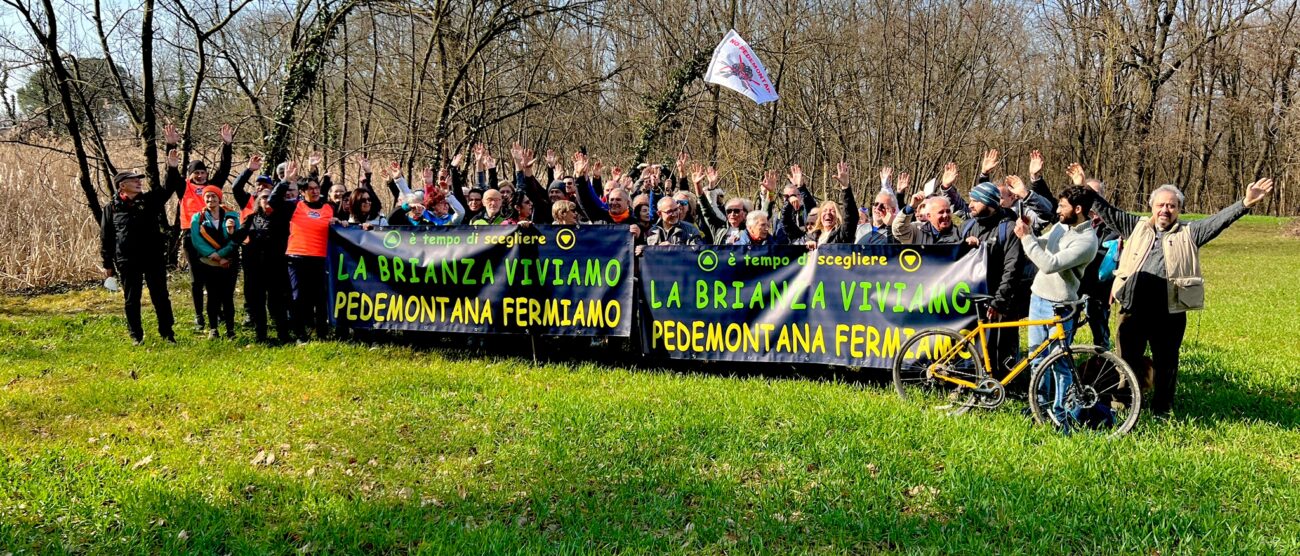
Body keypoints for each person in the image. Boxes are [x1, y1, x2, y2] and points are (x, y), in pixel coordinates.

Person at [1095, 178, 1274, 416]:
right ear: (1152, 206)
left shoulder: (1190, 232)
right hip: (1132, 309)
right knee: (1126, 361)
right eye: (1160, 205)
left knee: (1166, 362)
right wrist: (1085, 188)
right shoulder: (1135, 226)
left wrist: (1245, 203)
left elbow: (1218, 221)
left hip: (1170, 311)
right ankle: (1122, 406)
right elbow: (1107, 211)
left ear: (1179, 209)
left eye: (1171, 206)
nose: (1165, 210)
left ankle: (1162, 409)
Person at [1015, 185, 1100, 431]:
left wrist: (1025, 238)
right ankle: (1038, 405)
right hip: (1038, 298)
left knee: (1059, 362)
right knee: (1036, 358)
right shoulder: (1063, 225)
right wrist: (1029, 233)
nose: (1058, 210)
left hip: (1060, 306)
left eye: (1063, 206)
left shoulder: (1086, 241)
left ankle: (1059, 412)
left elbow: (1050, 264)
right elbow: (1043, 243)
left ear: (1078, 209)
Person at [99, 151, 182, 345]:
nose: (139, 182)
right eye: (134, 180)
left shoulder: (150, 201)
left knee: (161, 296)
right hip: (127, 260)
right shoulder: (111, 208)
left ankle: (167, 333)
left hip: (153, 257)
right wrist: (107, 263)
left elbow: (168, 188)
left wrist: (172, 167)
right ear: (122, 185)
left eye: (139, 180)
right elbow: (106, 237)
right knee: (131, 299)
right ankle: (136, 335)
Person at [961, 179, 1031, 376]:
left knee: (1002, 347)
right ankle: (969, 380)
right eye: (970, 200)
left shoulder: (1008, 229)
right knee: (973, 345)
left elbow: (1013, 269)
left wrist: (999, 302)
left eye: (975, 200)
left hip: (1000, 301)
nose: (970, 205)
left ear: (990, 203)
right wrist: (962, 246)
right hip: (969, 300)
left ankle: (1004, 384)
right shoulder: (967, 227)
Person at [174, 123, 233, 332]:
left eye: (203, 172)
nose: (200, 176)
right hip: (191, 235)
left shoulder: (212, 188)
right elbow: (171, 176)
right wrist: (170, 147)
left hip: (212, 236)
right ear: (190, 175)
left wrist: (226, 145)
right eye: (196, 173)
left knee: (214, 276)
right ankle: (199, 315)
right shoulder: (184, 188)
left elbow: (224, 169)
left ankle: (217, 312)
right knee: (197, 278)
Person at [272, 161, 338, 342]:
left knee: (320, 297)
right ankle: (300, 334)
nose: (315, 191)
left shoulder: (327, 208)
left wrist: (340, 223)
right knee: (299, 297)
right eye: (310, 189)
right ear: (302, 192)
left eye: (316, 188)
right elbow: (272, 202)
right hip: (297, 257)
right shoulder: (294, 207)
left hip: (320, 258)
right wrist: (285, 181)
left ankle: (322, 334)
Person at [190, 186, 241, 339]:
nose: (210, 199)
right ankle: (213, 329)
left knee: (227, 296)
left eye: (214, 196)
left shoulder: (232, 217)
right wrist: (216, 256)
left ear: (220, 198)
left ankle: (230, 330)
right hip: (209, 263)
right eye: (207, 197)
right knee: (212, 296)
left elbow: (235, 240)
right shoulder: (197, 218)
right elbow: (197, 241)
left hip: (229, 262)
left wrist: (222, 254)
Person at [802, 162, 858, 247]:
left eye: (832, 211)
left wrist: (845, 188)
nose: (828, 213)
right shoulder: (812, 236)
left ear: (838, 217)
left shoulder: (842, 235)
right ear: (820, 216)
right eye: (825, 211)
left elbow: (850, 218)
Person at [892, 194, 961, 244]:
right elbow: (899, 230)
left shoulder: (959, 233)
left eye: (948, 211)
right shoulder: (917, 230)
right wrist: (911, 207)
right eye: (941, 212)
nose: (945, 215)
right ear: (929, 216)